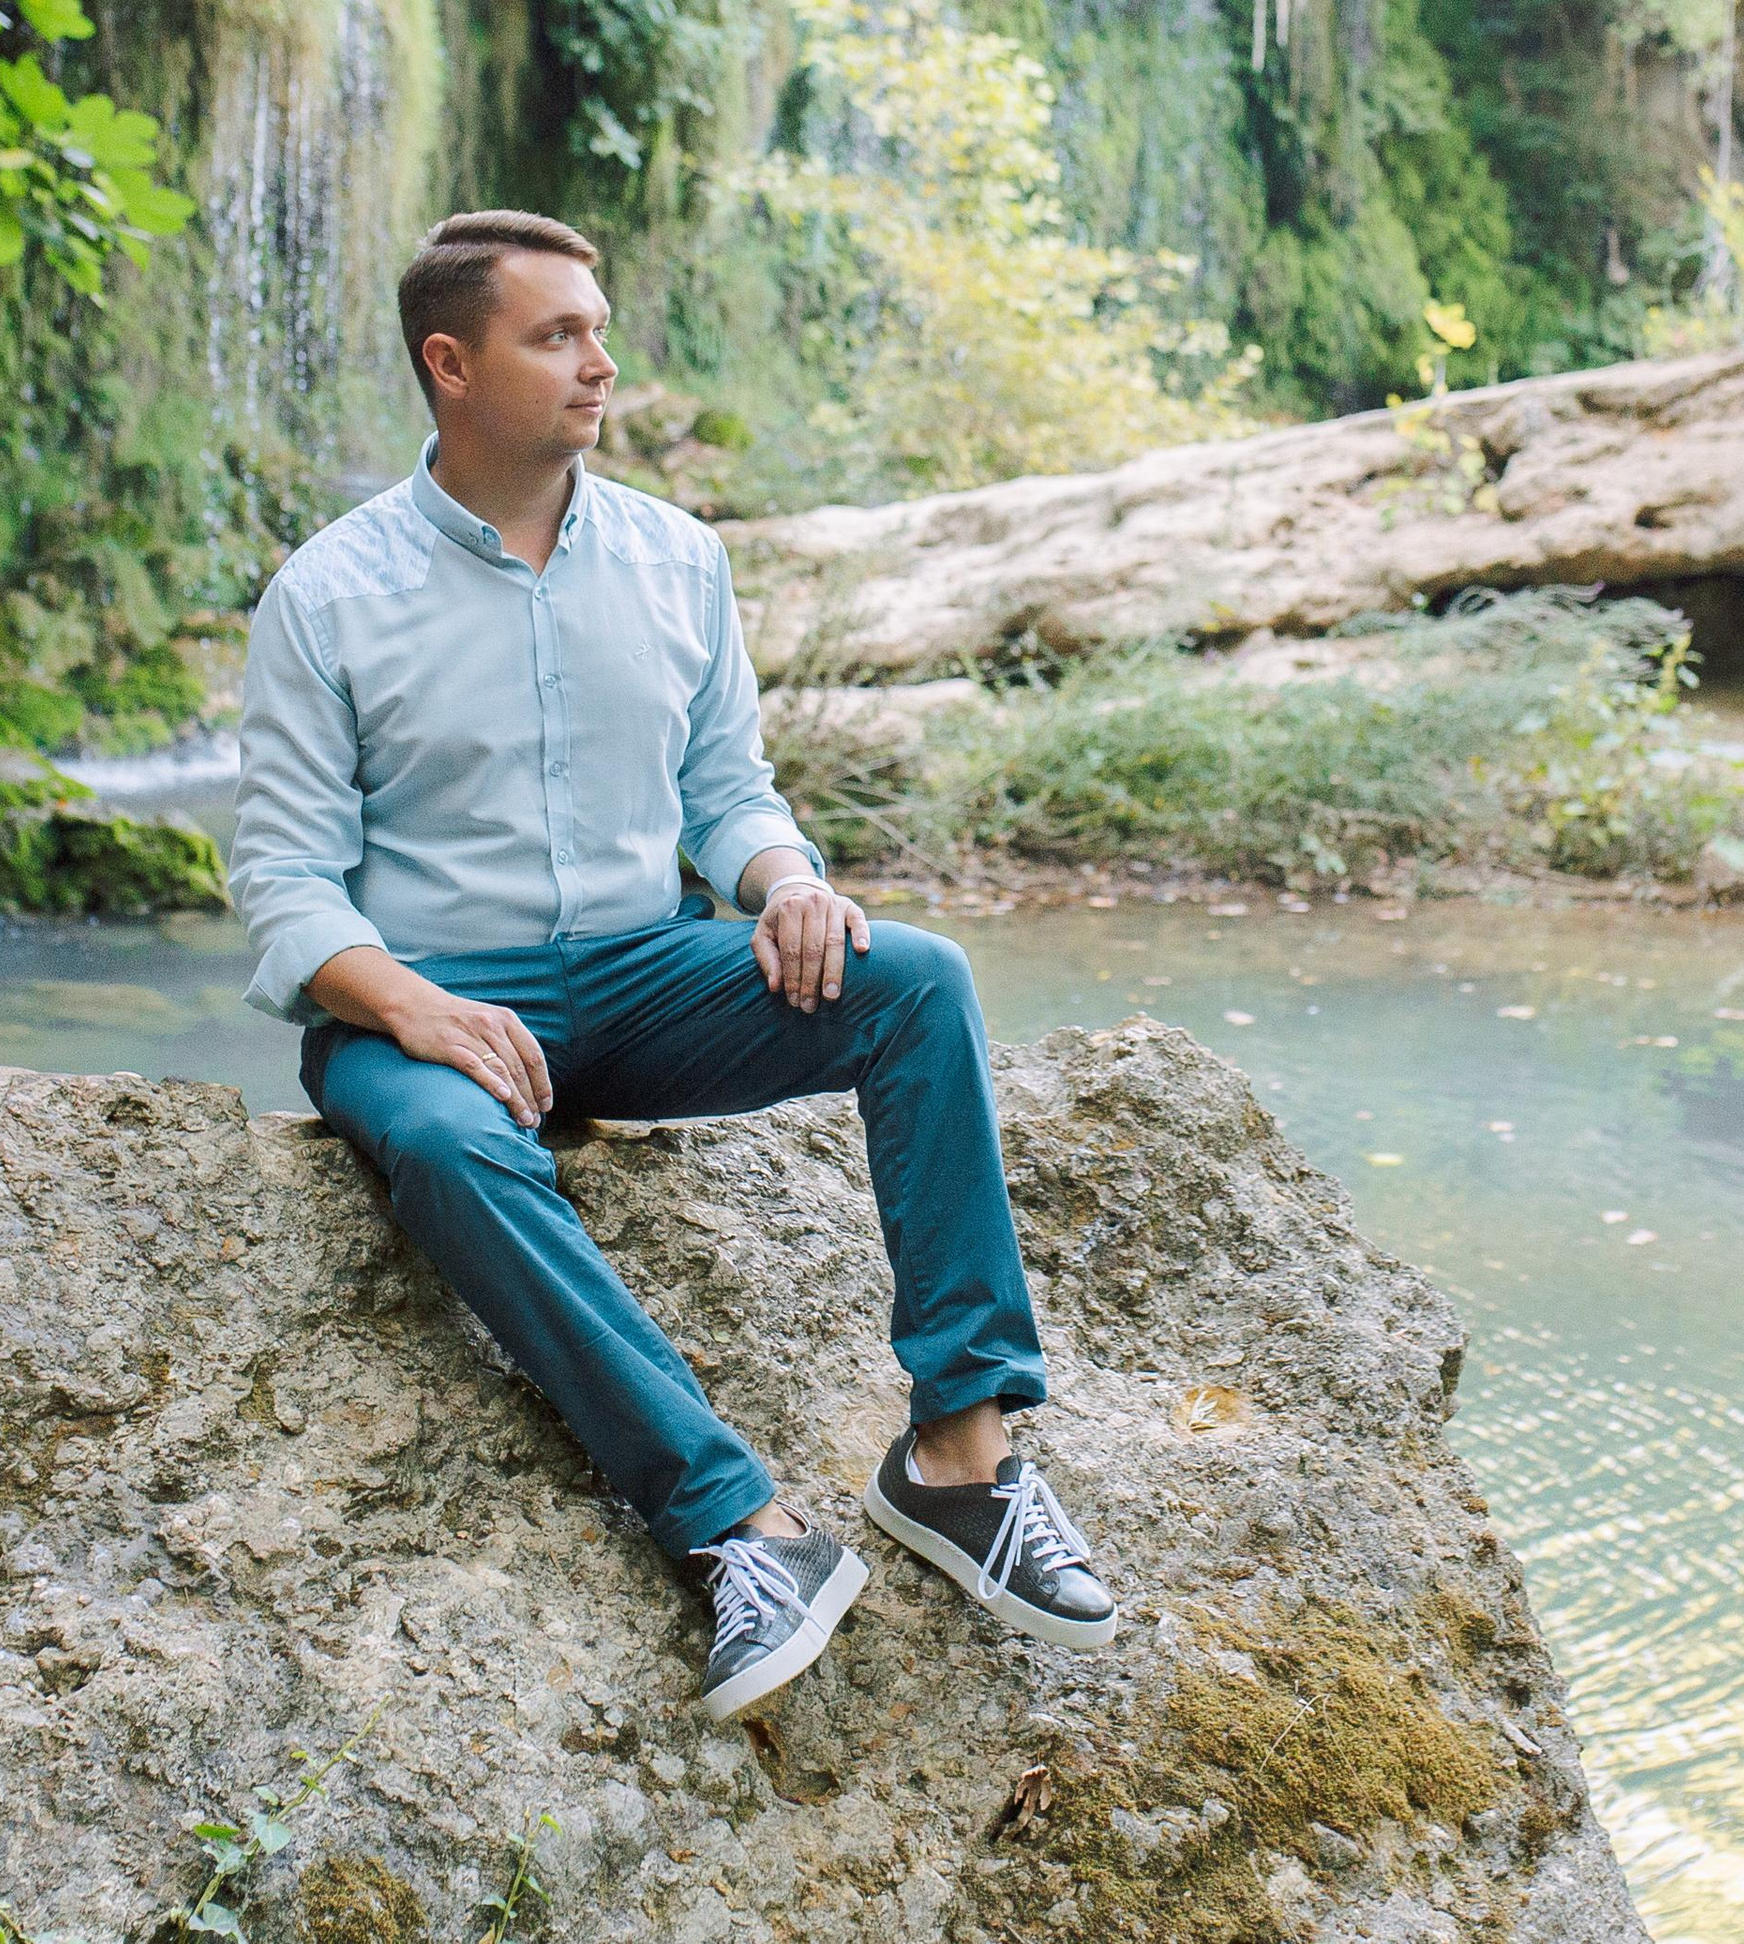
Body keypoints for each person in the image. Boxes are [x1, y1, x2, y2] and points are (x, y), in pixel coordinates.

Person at [230, 209, 1116, 1722]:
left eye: (600, 331)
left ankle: (961, 1464)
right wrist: (413, 1008)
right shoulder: (329, 591)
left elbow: (728, 791)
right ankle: (736, 1527)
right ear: (451, 364)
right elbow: (283, 877)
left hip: (648, 973)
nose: (601, 364)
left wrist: (785, 882)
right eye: (556, 336)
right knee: (440, 1141)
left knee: (916, 979)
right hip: (425, 996)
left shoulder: (676, 557)